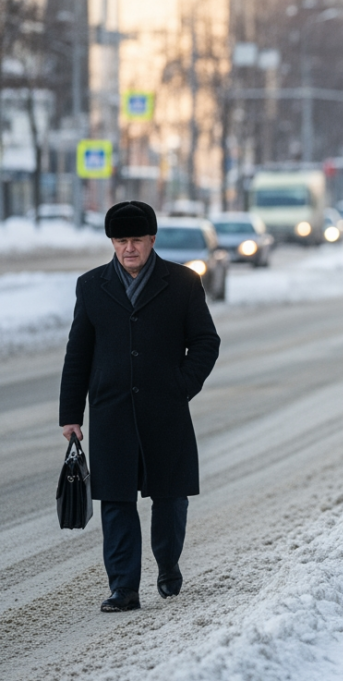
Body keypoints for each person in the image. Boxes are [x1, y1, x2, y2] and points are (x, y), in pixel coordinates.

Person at [59, 201, 221, 612]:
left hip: (166, 410)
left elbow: (205, 341)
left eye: (136, 240)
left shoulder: (182, 282)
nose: (129, 248)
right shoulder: (92, 286)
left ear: (152, 239)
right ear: (112, 243)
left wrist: (181, 385)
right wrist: (71, 415)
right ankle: (123, 588)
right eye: (120, 241)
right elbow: (78, 353)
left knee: (170, 496)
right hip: (111, 411)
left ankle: (168, 564)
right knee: (115, 502)